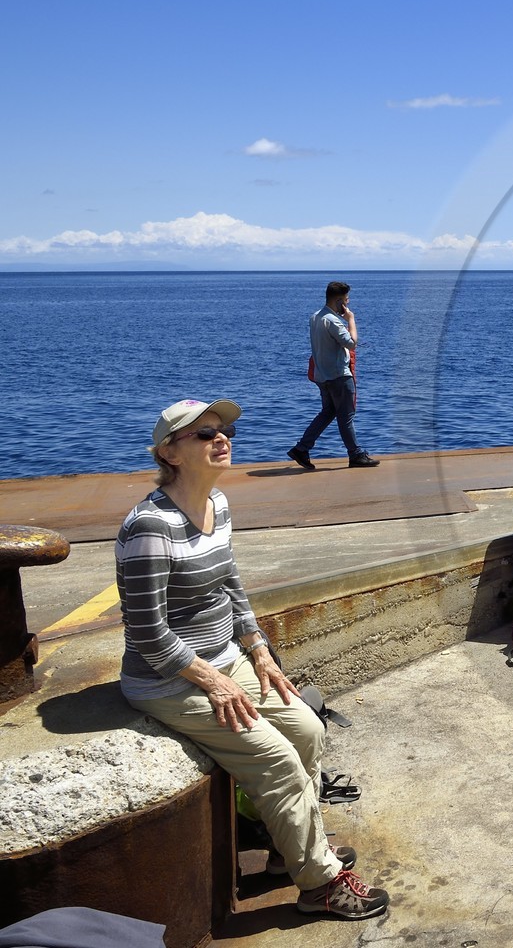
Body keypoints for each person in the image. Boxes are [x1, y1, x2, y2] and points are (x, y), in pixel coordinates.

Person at [118, 398, 390, 919]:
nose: (221, 439)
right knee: (277, 760)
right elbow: (147, 633)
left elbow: (231, 587)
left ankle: (286, 855)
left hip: (226, 659)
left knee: (309, 731)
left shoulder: (216, 504)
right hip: (170, 679)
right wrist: (215, 683)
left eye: (223, 431)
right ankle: (320, 884)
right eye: (203, 435)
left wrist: (259, 651)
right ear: (168, 453)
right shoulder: (150, 528)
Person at [288, 281, 378, 470]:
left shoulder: (315, 317)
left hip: (323, 376)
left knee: (328, 412)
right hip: (339, 376)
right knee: (346, 417)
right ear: (338, 301)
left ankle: (302, 448)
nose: (348, 303)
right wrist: (351, 319)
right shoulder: (333, 321)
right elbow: (352, 343)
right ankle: (356, 455)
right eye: (346, 300)